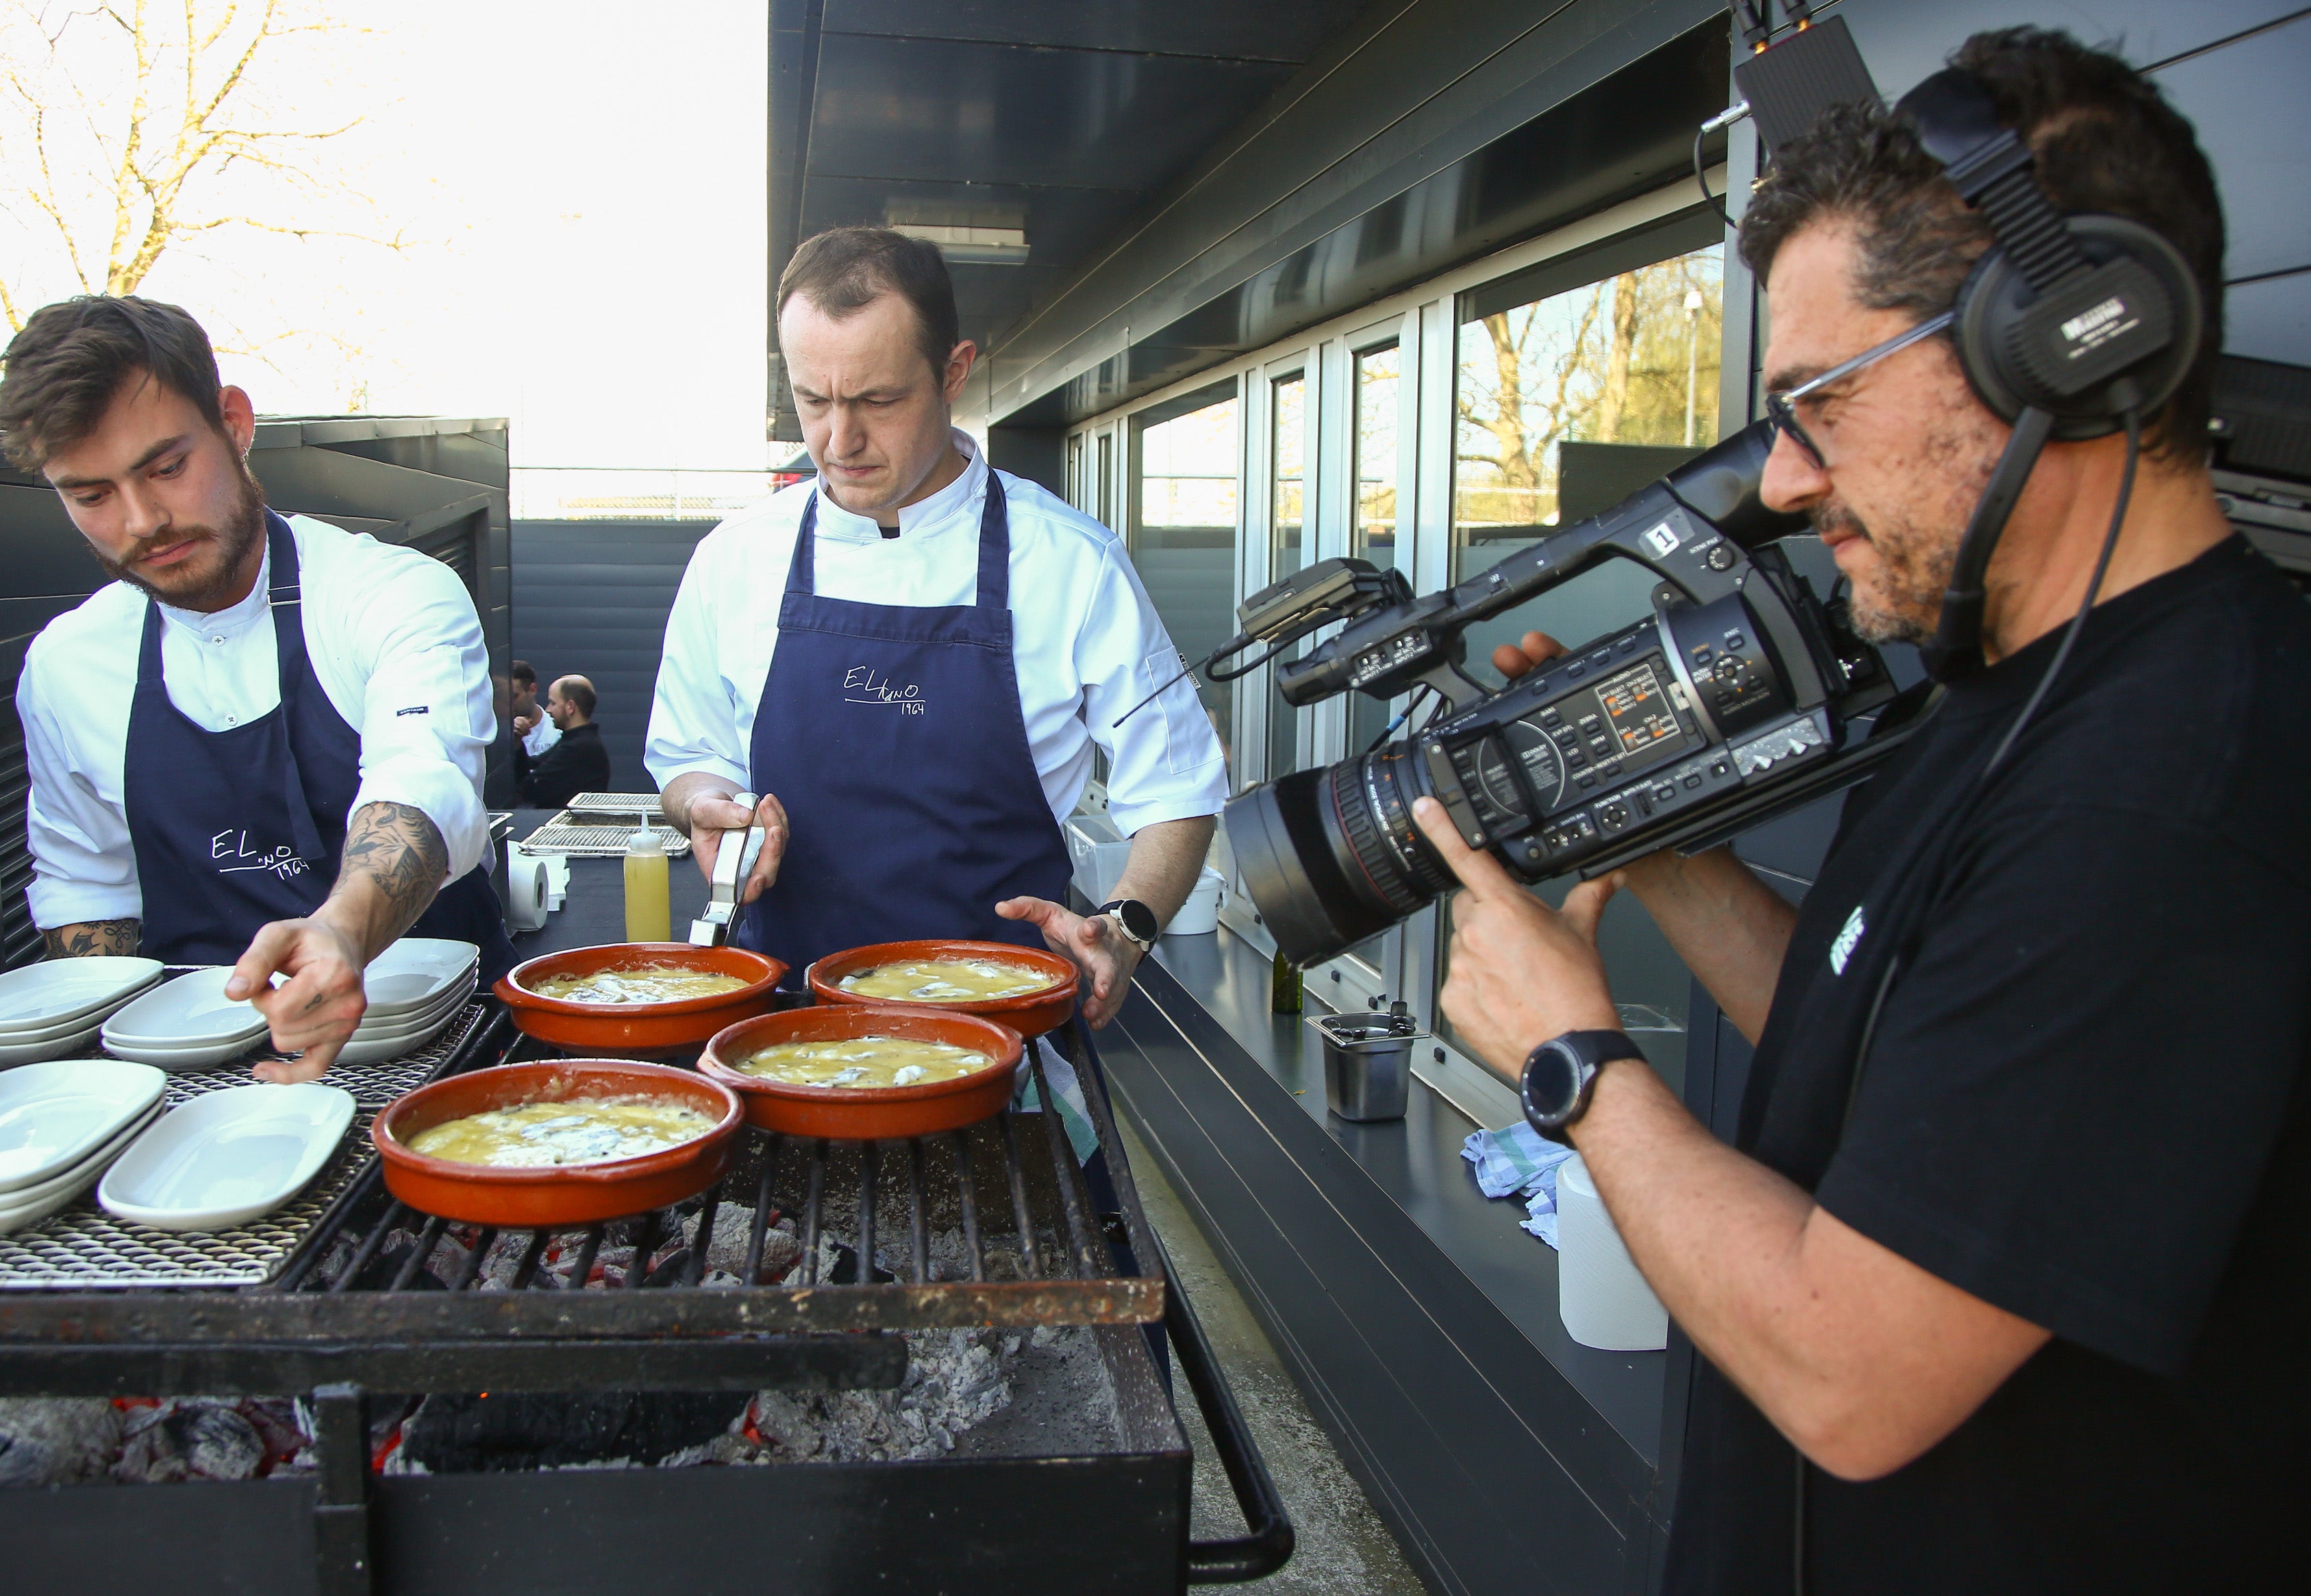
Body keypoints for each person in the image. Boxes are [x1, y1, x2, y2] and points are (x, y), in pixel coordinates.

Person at [1417, 29, 2308, 1591]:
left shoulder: (2176, 785)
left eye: (1816, 399)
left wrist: (1574, 1060)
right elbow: (1910, 1055)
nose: (1780, 480)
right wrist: (1661, 843)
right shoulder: (2014, 681)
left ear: (2064, 342)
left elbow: (1852, 1371)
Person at [647, 226, 1224, 1162]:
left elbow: (1180, 789)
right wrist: (704, 806)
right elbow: (689, 759)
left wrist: (1126, 925)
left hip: (995, 1060)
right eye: (812, 400)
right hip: (779, 1047)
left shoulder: (1066, 564)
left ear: (953, 370)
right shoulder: (734, 560)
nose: (839, 439)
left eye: (877, 398)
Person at [5, 296, 516, 1083]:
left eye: (167, 467)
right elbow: (86, 884)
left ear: (235, 423)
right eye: (91, 495)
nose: (142, 520)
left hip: (436, 1048)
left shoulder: (387, 593)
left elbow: (424, 781)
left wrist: (341, 933)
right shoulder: (68, 664)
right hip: (203, 1067)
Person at [512, 673, 611, 805]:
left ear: (570, 707)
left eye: (553, 703)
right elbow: (535, 765)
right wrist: (517, 741)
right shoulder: (575, 740)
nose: (548, 710)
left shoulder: (579, 748)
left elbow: (531, 788)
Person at [510, 659, 559, 757]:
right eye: (504, 697)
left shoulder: (557, 730)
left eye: (514, 696)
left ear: (533, 689)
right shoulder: (496, 733)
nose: (509, 703)